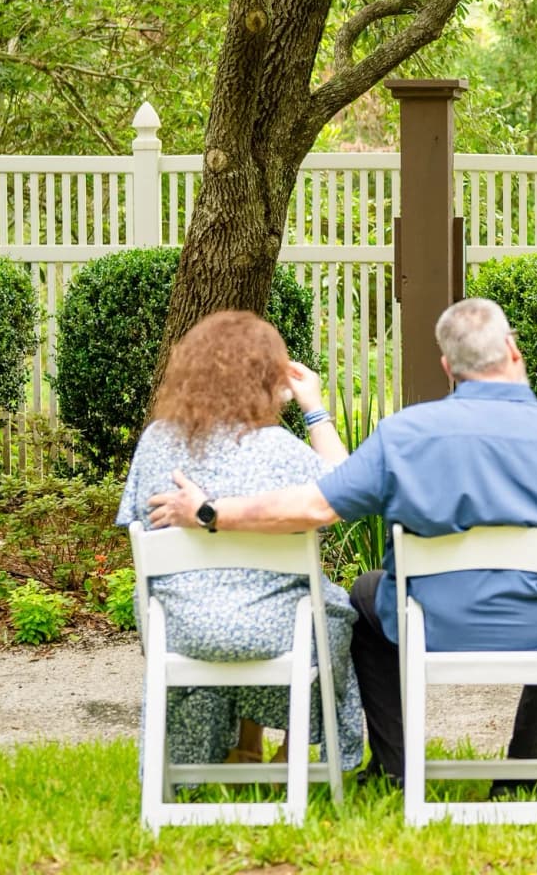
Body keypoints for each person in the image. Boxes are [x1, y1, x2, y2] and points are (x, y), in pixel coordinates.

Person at [146, 297, 537, 790]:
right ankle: (527, 768)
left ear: (448, 367)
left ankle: (396, 768)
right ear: (512, 351)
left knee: (365, 593)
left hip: (429, 621)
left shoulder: (404, 435)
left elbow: (316, 506)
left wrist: (210, 512)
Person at [116, 311, 364, 775]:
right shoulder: (277, 449)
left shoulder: (155, 442)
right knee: (326, 611)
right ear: (268, 378)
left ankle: (244, 747)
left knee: (240, 589)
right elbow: (347, 490)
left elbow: (137, 522)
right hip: (274, 632)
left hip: (179, 629)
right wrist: (313, 407)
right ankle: (293, 749)